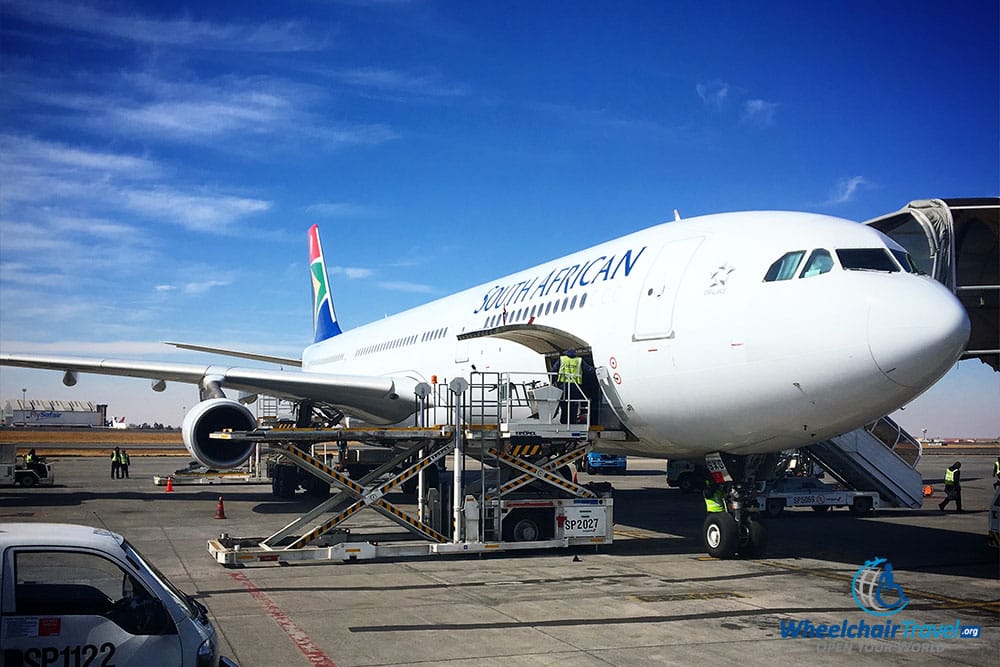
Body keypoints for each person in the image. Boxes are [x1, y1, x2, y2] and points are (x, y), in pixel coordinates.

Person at [552, 349, 593, 424]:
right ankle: (572, 421)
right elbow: (589, 370)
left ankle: (564, 420)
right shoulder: (579, 360)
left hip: (563, 385)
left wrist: (553, 382)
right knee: (573, 404)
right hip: (575, 386)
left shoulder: (562, 359)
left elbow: (554, 370)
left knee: (564, 403)